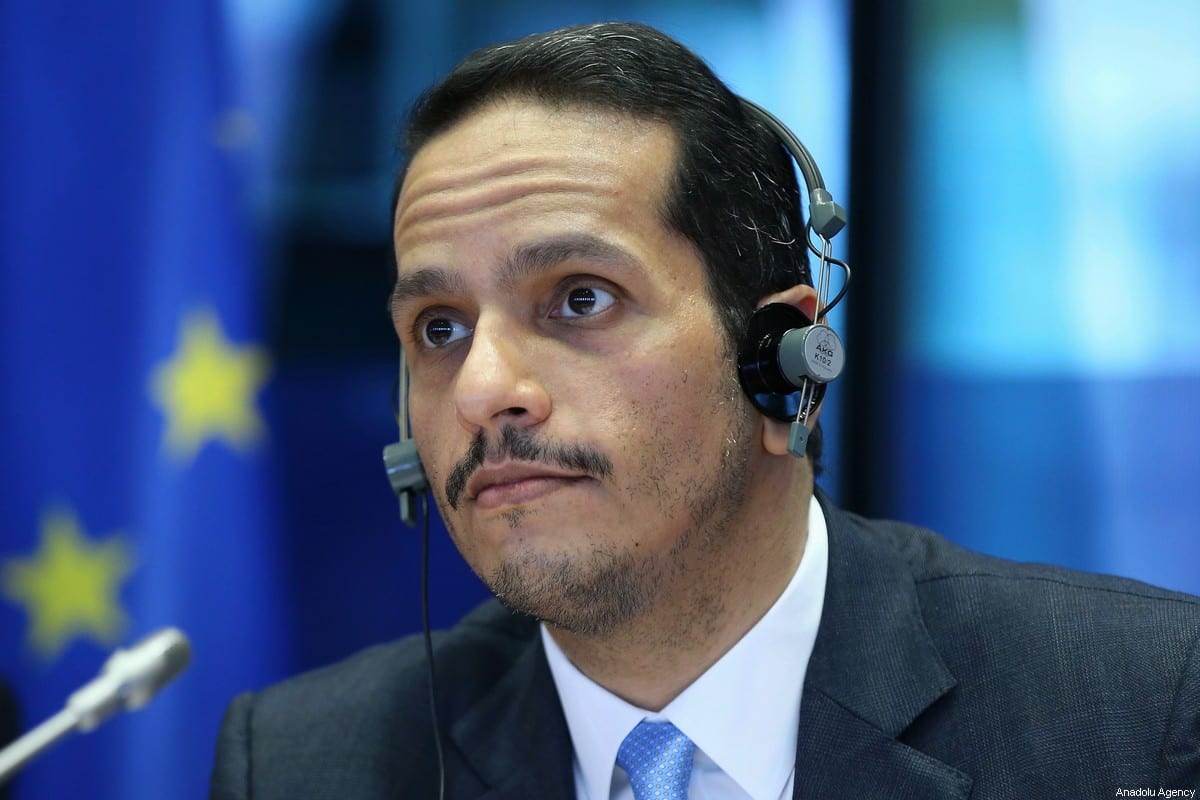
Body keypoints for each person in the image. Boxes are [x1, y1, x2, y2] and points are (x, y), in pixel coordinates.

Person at [210, 21, 1200, 799]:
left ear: (785, 361)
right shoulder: (303, 764)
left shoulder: (1135, 706)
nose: (479, 388)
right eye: (438, 327)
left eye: (580, 298)